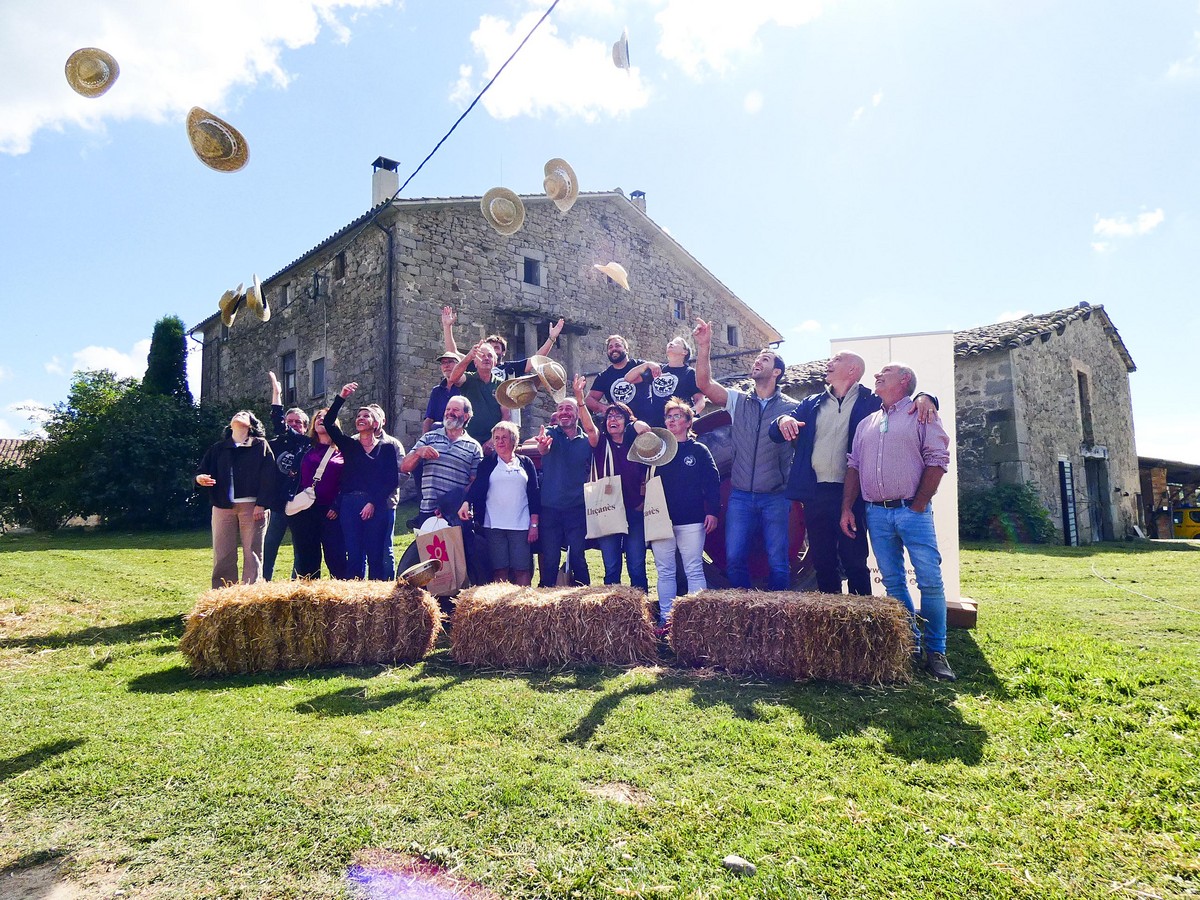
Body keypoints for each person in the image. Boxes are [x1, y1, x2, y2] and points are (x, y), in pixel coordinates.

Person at [770, 352, 938, 595]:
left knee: (855, 561)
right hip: (815, 493)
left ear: (852, 370)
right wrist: (782, 420)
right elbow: (775, 433)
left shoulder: (871, 400)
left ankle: (861, 623)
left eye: (836, 360)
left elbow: (902, 402)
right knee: (822, 562)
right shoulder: (811, 403)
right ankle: (830, 620)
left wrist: (926, 397)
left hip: (852, 494)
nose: (828, 363)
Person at [841, 363, 955, 681]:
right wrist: (847, 508)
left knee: (930, 582)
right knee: (893, 584)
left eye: (885, 372)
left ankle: (937, 652)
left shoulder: (921, 413)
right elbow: (853, 466)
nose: (877, 375)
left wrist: (918, 506)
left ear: (904, 381)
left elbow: (937, 459)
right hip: (875, 513)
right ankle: (908, 644)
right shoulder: (866, 422)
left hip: (912, 512)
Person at [693, 318, 799, 590]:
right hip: (739, 495)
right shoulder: (738, 400)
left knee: (778, 560)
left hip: (776, 497)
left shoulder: (793, 407)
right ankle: (742, 609)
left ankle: (778, 614)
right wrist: (703, 347)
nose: (757, 362)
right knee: (734, 558)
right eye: (757, 359)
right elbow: (705, 384)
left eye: (765, 359)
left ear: (776, 372)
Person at [646, 399, 720, 625]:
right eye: (669, 416)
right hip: (662, 521)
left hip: (692, 519)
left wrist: (713, 511)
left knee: (694, 569)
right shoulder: (657, 451)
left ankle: (697, 621)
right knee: (666, 571)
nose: (672, 420)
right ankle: (666, 621)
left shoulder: (698, 450)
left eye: (678, 416)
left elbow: (713, 481)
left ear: (689, 422)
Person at [324, 383, 401, 580]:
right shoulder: (350, 446)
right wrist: (341, 397)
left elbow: (391, 480)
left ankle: (375, 596)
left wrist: (373, 502)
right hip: (350, 504)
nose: (360, 419)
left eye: (366, 416)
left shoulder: (387, 449)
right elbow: (329, 423)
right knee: (354, 554)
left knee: (375, 554)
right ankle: (355, 597)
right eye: (358, 416)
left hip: (376, 504)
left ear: (376, 424)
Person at [530, 375, 600, 587]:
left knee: (578, 557)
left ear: (578, 413)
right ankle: (547, 604)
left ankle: (583, 600)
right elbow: (542, 447)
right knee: (550, 560)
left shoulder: (587, 438)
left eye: (568, 409)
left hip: (576, 508)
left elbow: (593, 432)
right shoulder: (550, 433)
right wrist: (542, 447)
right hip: (550, 508)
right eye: (560, 409)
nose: (564, 413)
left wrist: (579, 397)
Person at [195, 410, 276, 588]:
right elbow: (200, 471)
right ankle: (222, 594)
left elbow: (269, 476)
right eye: (236, 414)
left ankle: (250, 595)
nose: (238, 415)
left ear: (252, 425)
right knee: (223, 552)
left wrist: (261, 504)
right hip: (222, 506)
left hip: (253, 506)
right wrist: (199, 479)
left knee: (252, 552)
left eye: (244, 414)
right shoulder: (219, 448)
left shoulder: (260, 445)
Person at [459, 421, 540, 585]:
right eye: (496, 438)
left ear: (514, 440)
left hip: (521, 526)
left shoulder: (525, 463)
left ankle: (523, 606)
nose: (500, 441)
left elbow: (534, 494)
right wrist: (466, 502)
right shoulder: (488, 463)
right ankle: (499, 607)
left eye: (504, 437)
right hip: (494, 526)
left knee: (522, 569)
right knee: (499, 570)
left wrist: (534, 525)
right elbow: (477, 487)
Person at [593, 401, 651, 590]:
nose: (612, 419)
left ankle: (642, 611)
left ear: (626, 421)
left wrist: (642, 502)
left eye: (618, 416)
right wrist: (579, 398)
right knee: (611, 567)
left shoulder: (637, 445)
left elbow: (645, 429)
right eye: (609, 416)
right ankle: (613, 613)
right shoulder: (601, 444)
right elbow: (587, 426)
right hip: (609, 510)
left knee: (636, 566)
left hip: (634, 511)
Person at [401, 396, 484, 526]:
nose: (449, 412)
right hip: (428, 511)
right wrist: (418, 453)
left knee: (458, 547)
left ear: (466, 416)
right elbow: (404, 467)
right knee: (427, 547)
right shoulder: (429, 437)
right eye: (447, 409)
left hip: (456, 514)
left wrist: (450, 505)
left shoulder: (474, 447)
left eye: (455, 409)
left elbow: (475, 482)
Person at [262, 372, 310, 580]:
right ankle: (262, 581)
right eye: (290, 421)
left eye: (298, 423)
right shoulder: (275, 443)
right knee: (269, 545)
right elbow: (276, 420)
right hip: (277, 503)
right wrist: (277, 393)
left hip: (299, 503)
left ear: (306, 427)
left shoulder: (308, 444)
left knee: (300, 548)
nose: (293, 425)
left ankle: (295, 585)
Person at [289, 407, 347, 579]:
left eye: (327, 417)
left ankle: (340, 599)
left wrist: (337, 505)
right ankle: (310, 599)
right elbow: (281, 427)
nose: (322, 419)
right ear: (313, 425)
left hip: (331, 512)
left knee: (336, 558)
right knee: (307, 560)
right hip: (305, 511)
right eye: (318, 417)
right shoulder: (305, 447)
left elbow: (349, 482)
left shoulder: (343, 450)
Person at [440, 305, 564, 379]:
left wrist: (551, 338)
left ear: (503, 353)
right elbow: (453, 353)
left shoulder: (509, 369)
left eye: (496, 348)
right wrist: (447, 326)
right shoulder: (475, 365)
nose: (493, 351)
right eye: (490, 348)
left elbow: (536, 360)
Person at [623, 335, 707, 427]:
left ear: (684, 352)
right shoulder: (658, 370)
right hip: (658, 422)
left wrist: (690, 414)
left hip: (680, 424)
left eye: (676, 343)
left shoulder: (690, 373)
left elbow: (700, 400)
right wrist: (647, 364)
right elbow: (628, 378)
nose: (671, 343)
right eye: (671, 342)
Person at [448, 340, 509, 448]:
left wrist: (493, 440)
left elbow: (505, 416)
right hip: (466, 441)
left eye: (490, 356)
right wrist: (469, 356)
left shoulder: (501, 385)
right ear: (475, 362)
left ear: (495, 362)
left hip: (492, 444)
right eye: (482, 355)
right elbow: (453, 378)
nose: (486, 358)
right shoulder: (468, 378)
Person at [585, 334, 645, 417]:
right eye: (610, 347)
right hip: (618, 424)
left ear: (626, 349)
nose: (614, 349)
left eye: (618, 345)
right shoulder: (604, 376)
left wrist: (651, 364)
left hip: (645, 421)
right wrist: (605, 409)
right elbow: (589, 399)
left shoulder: (639, 366)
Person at [422, 350, 462, 433]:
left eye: (450, 362)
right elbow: (429, 419)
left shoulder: (465, 388)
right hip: (438, 434)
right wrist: (423, 441)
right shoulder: (437, 391)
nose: (446, 365)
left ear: (459, 365)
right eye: (443, 362)